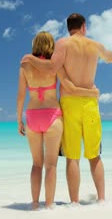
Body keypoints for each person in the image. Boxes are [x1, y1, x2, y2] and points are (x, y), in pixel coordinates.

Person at [21, 13, 112, 203]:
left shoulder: (63, 44)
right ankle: (102, 200)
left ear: (69, 28)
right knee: (94, 155)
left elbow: (50, 68)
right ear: (84, 27)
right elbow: (111, 57)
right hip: (90, 104)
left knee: (72, 156)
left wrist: (29, 59)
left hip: (69, 104)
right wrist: (109, 55)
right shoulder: (95, 45)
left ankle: (74, 203)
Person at [17, 31, 99, 210]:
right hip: (52, 115)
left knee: (36, 164)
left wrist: (18, 121)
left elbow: (20, 96)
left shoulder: (25, 66)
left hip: (32, 116)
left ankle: (34, 204)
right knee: (51, 165)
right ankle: (49, 206)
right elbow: (69, 86)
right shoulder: (55, 66)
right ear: (50, 46)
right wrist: (90, 93)